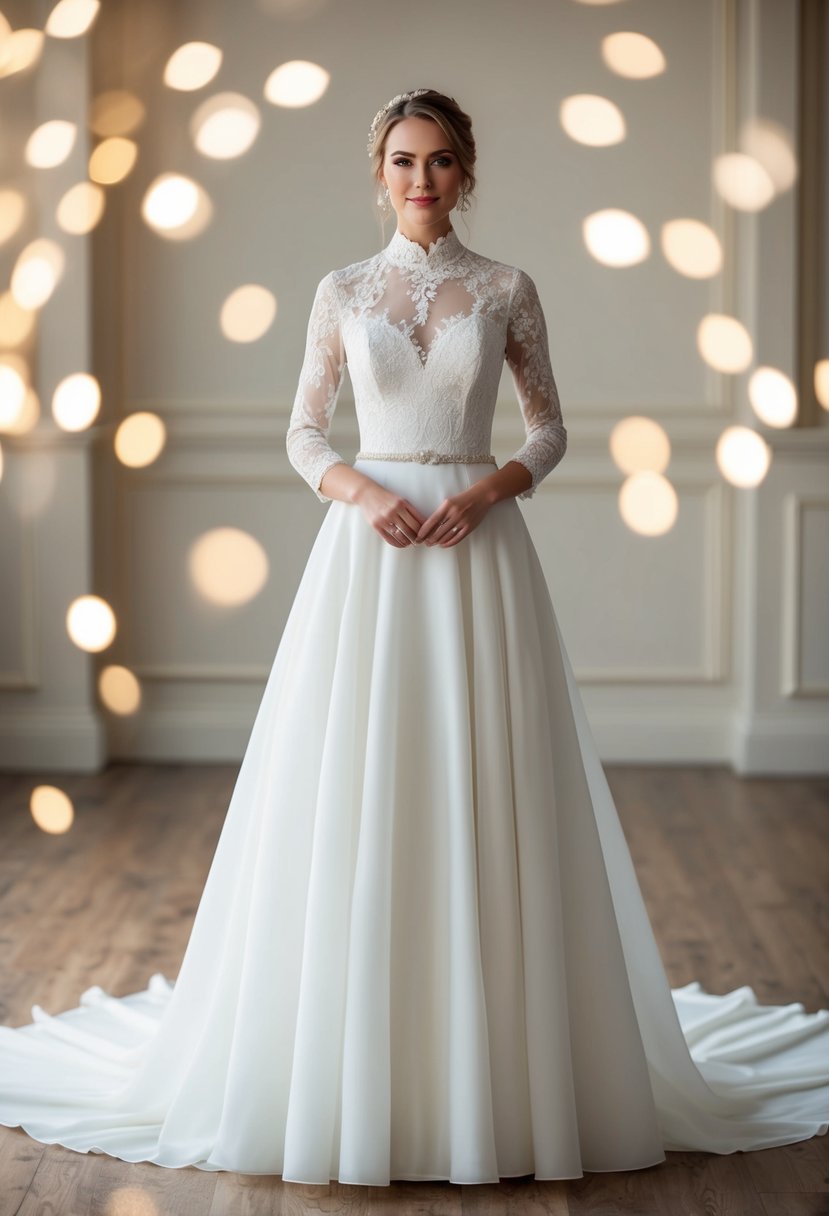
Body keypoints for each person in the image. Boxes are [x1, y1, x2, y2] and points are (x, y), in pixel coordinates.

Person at [0, 87, 827, 1187]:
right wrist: (355, 490)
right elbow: (300, 428)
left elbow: (551, 425)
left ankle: (499, 1057)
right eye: (401, 161)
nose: (421, 180)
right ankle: (353, 1053)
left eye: (439, 161)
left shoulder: (506, 288)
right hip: (370, 552)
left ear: (465, 169)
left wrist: (487, 492)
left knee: (483, 779)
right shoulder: (341, 289)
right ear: (377, 171)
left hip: (475, 549)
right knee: (360, 778)